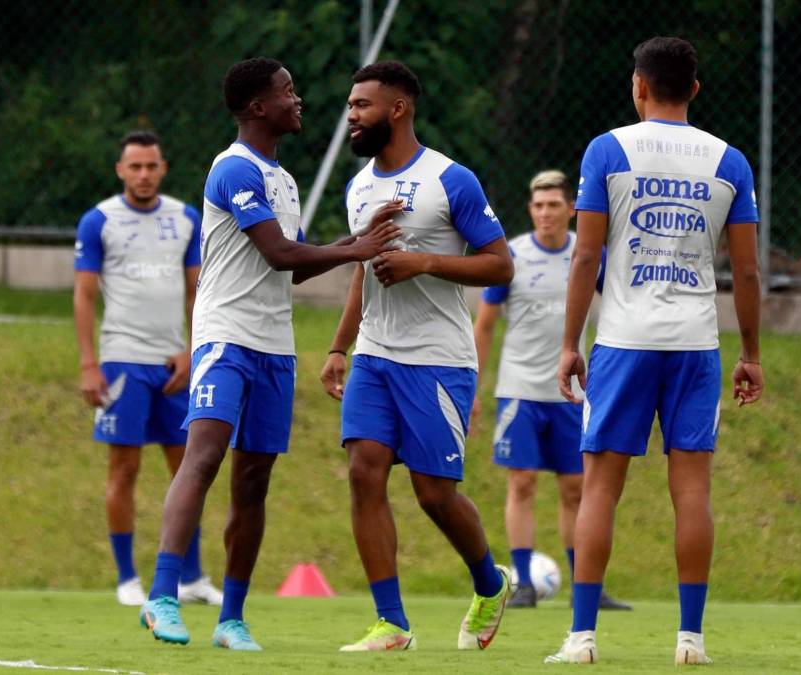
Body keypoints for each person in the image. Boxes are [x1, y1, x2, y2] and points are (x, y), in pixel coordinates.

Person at [138, 57, 399, 651]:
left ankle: (231, 619)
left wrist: (357, 244)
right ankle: (161, 597)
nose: (298, 99)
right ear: (258, 107)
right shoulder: (234, 169)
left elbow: (289, 270)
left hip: (275, 347)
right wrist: (356, 249)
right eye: (287, 91)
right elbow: (281, 254)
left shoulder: (281, 179)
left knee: (253, 480)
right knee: (201, 457)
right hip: (225, 337)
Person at [545, 37, 763, 665]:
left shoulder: (607, 149)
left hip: (623, 341)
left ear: (638, 86)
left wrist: (569, 344)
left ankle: (583, 639)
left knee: (600, 490)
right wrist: (750, 352)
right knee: (692, 492)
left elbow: (586, 255)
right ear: (694, 89)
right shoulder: (730, 161)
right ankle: (690, 642)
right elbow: (745, 273)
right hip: (696, 344)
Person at [320, 61, 515, 653]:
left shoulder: (451, 180)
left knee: (434, 493)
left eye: (361, 106)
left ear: (397, 109)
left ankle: (490, 582)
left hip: (438, 358)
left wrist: (425, 261)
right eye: (350, 106)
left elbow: (501, 264)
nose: (351, 117)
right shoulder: (358, 187)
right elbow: (363, 271)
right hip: (375, 358)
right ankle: (392, 623)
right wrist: (339, 345)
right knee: (363, 471)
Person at [73, 130, 222, 607]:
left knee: (190, 469)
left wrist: (193, 351)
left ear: (163, 169)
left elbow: (198, 292)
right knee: (124, 469)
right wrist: (89, 363)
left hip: (175, 363)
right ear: (120, 170)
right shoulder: (99, 220)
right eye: (133, 166)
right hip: (122, 363)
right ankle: (126, 579)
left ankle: (192, 578)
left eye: (150, 166)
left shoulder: (185, 218)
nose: (142, 174)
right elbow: (84, 294)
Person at [471, 169, 630, 612]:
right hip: (519, 390)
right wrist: (474, 390)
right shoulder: (512, 256)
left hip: (572, 394)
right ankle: (522, 583)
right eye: (538, 206)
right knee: (521, 483)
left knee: (576, 488)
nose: (545, 213)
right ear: (530, 210)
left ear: (571, 209)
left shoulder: (588, 254)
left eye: (554, 205)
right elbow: (483, 326)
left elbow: (620, 306)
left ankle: (587, 586)